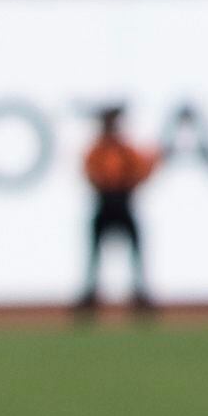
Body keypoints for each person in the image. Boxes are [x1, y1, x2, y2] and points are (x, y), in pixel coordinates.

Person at [76, 103, 158, 317]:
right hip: (104, 202)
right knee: (94, 255)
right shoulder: (98, 149)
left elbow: (140, 170)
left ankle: (139, 294)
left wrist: (125, 186)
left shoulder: (125, 149)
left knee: (135, 252)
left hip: (124, 202)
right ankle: (90, 296)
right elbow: (90, 172)